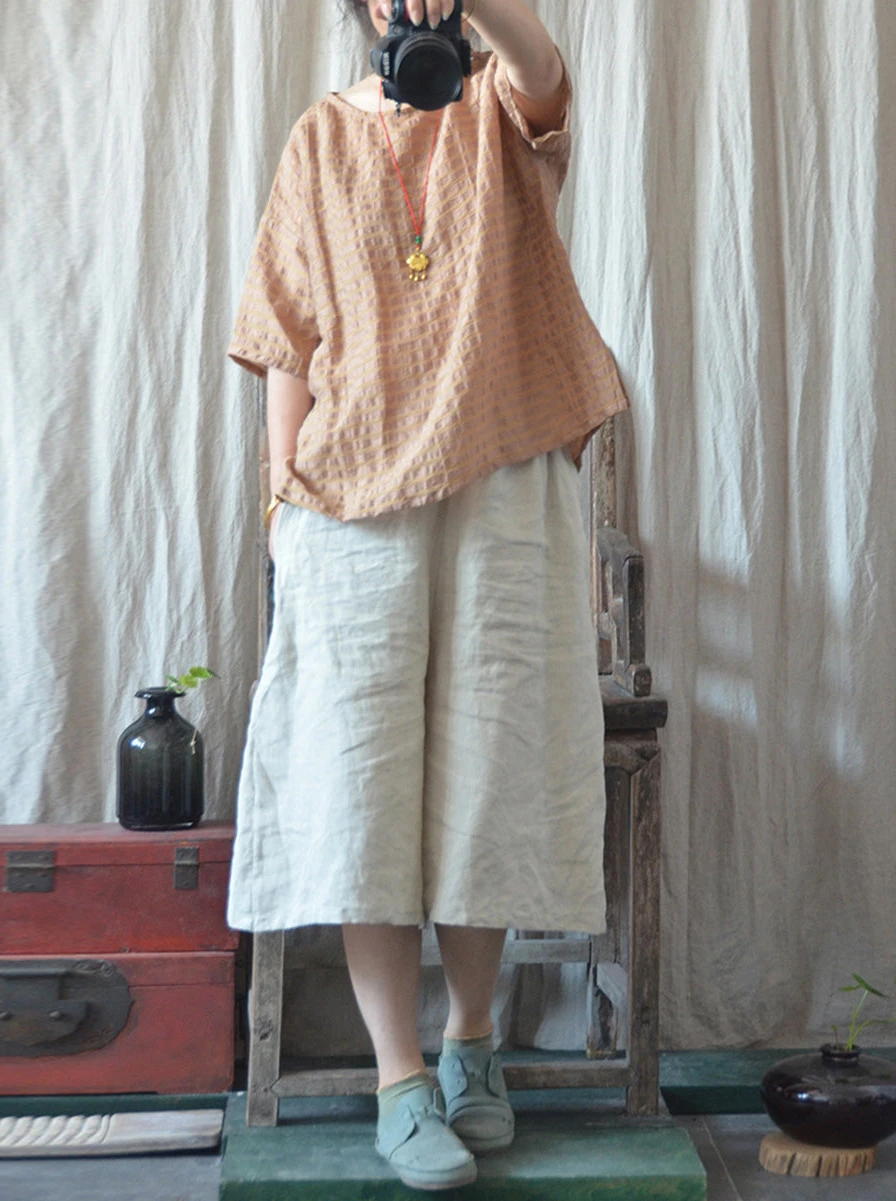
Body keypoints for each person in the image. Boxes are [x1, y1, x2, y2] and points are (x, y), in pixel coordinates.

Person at [225, 0, 628, 1190]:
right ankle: (400, 1079)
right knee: (365, 787)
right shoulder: (319, 137)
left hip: (503, 482)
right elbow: (286, 334)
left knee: (488, 770)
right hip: (350, 505)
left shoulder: (500, 103)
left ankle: (473, 1047)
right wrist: (281, 505)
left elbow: (546, 69)